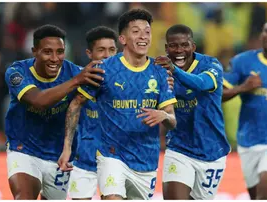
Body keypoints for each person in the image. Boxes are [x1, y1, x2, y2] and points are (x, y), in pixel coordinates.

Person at [58, 9, 177, 200]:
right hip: (111, 156)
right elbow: (75, 104)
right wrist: (67, 147)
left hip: (146, 161)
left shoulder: (160, 72)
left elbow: (172, 120)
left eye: (147, 32)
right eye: (136, 31)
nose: (143, 37)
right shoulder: (103, 69)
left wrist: (164, 116)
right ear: (122, 39)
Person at [4, 24, 105, 200]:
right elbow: (39, 100)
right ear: (34, 51)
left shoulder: (75, 72)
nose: (55, 58)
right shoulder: (17, 72)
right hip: (24, 149)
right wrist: (76, 81)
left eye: (60, 52)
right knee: (24, 196)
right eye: (47, 52)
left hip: (59, 157)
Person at [155, 24, 231, 200]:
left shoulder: (211, 64)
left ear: (193, 47)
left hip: (212, 151)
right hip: (179, 149)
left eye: (184, 45)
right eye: (173, 46)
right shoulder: (159, 71)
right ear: (166, 48)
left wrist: (175, 72)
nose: (179, 50)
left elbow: (202, 84)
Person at [222, 20, 267, 199]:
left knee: (263, 197)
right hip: (248, 141)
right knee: (255, 196)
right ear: (261, 36)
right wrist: (244, 87)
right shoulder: (242, 62)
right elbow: (218, 95)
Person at [67, 26, 118, 200]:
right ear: (89, 53)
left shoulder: (130, 79)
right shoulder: (76, 76)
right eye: (101, 50)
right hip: (84, 158)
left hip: (117, 159)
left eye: (111, 50)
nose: (107, 55)